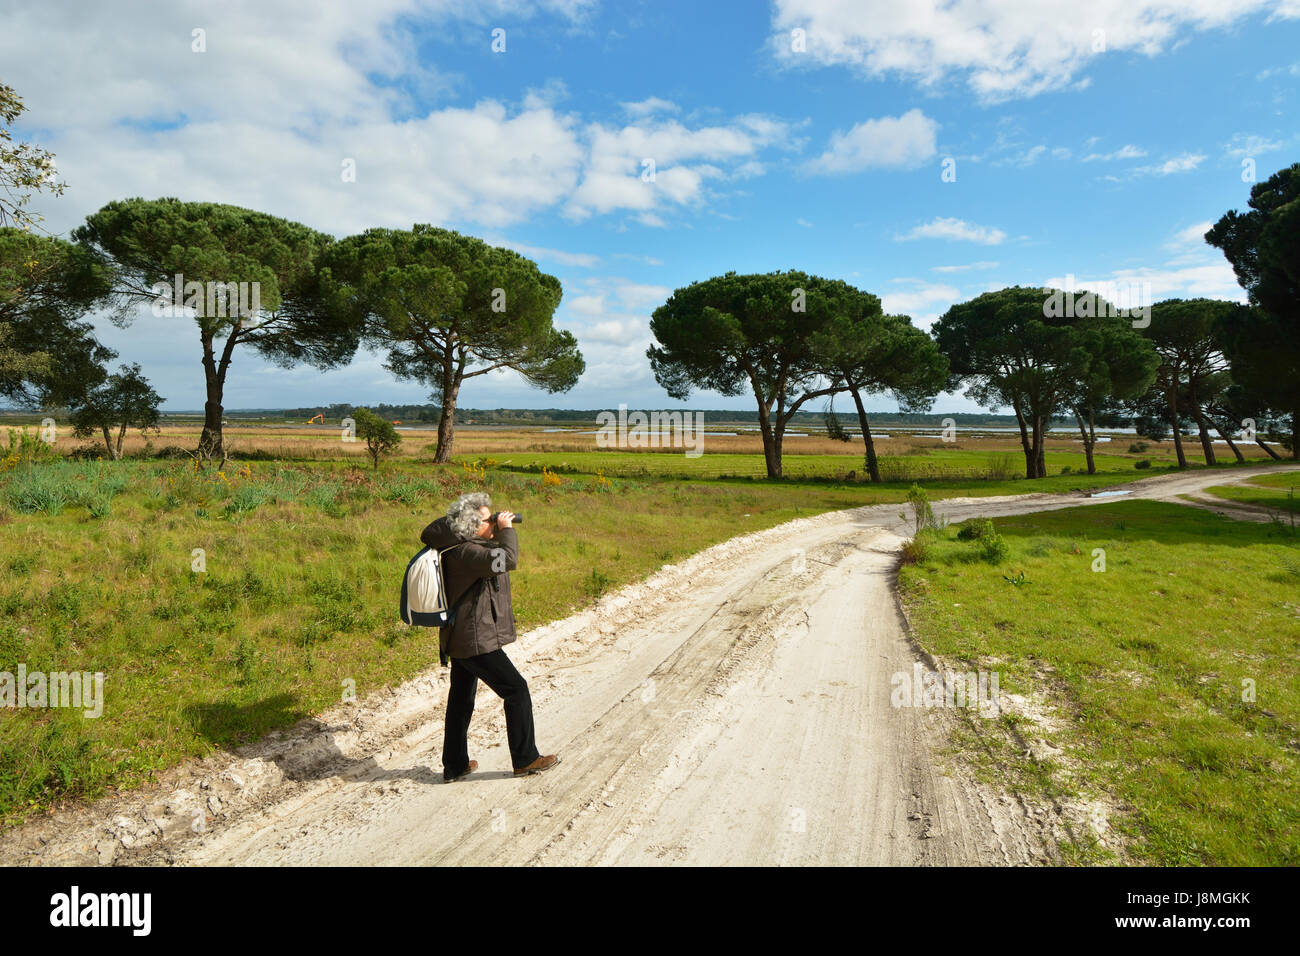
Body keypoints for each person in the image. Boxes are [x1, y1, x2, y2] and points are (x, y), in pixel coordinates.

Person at [421, 492, 559, 782]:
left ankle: (455, 764)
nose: (495, 520)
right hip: (474, 641)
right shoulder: (467, 553)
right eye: (489, 518)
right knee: (516, 690)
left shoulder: (461, 546)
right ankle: (526, 758)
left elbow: (492, 552)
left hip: (460, 637)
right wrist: (507, 530)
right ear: (471, 525)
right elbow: (506, 559)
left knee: (461, 700)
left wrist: (494, 525)